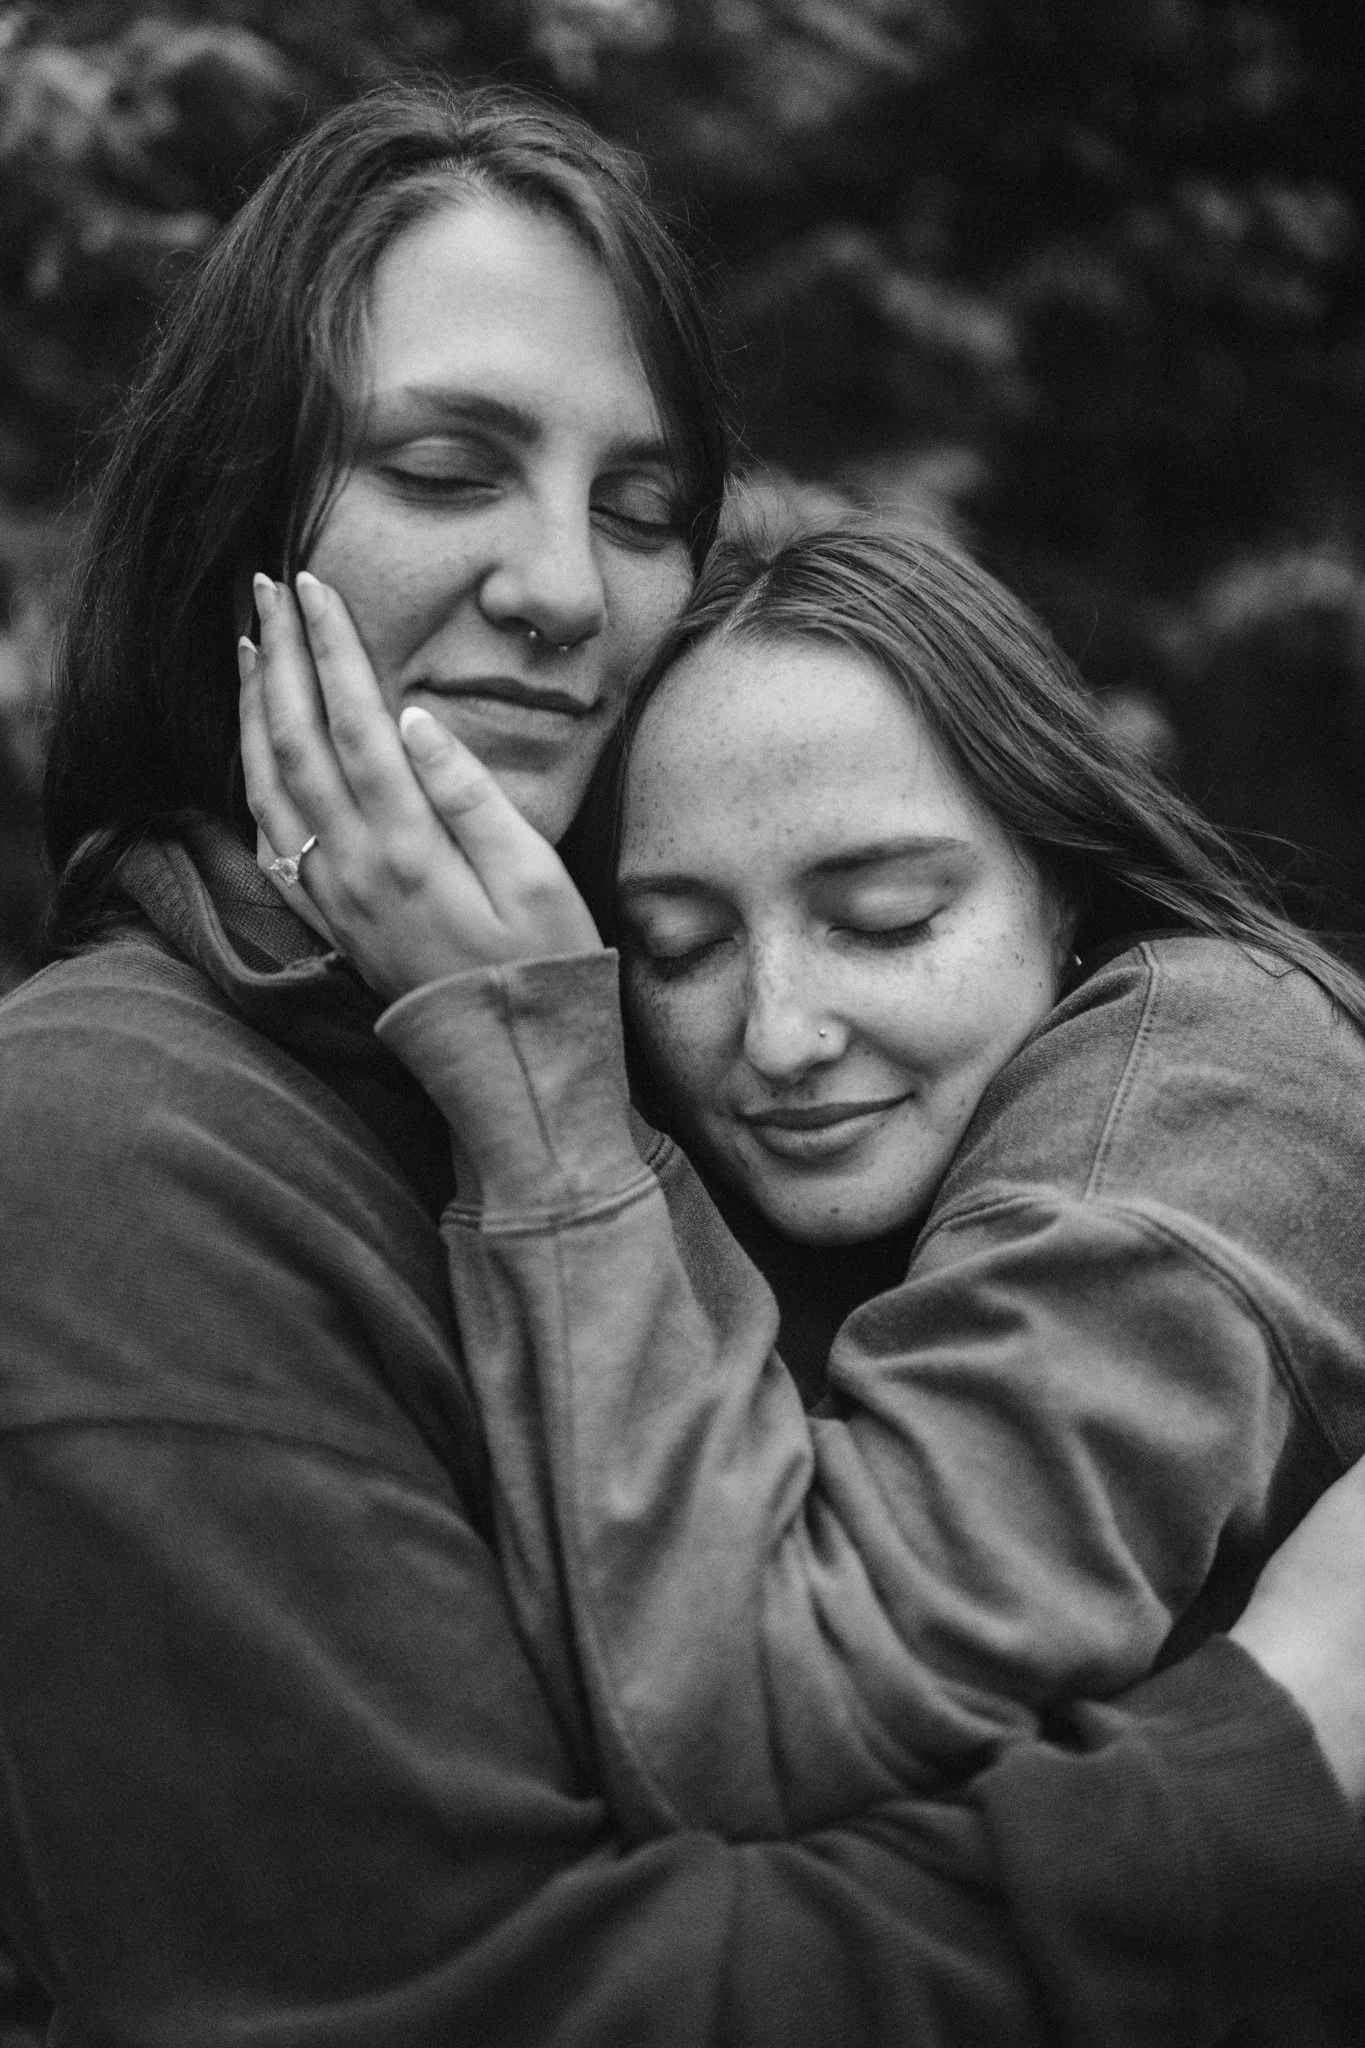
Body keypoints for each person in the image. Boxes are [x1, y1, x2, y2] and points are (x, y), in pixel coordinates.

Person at [3, 78, 1363, 2048]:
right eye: (451, 464)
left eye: (644, 506)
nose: (569, 584)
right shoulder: (113, 1151)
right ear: (235, 514)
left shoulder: (677, 1056)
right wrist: (1280, 1760)